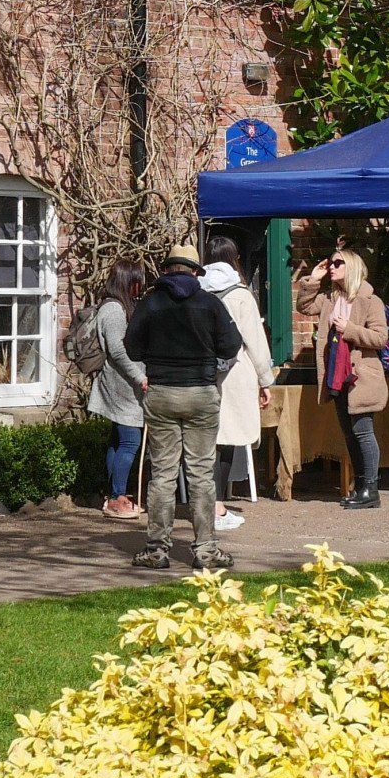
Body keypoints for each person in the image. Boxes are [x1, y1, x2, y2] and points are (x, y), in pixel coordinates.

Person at [123, 241, 241, 572]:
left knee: (162, 474)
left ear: (166, 270)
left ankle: (156, 549)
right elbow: (232, 345)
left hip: (161, 392)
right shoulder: (210, 303)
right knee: (201, 473)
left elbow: (131, 349)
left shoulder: (150, 303)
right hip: (201, 394)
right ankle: (205, 550)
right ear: (195, 272)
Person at [308, 247, 389, 508]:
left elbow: (381, 339)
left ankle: (371, 490)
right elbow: (305, 305)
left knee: (363, 432)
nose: (332, 266)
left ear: (352, 268)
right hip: (338, 374)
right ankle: (360, 488)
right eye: (331, 263)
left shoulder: (370, 300)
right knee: (349, 433)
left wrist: (350, 330)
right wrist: (313, 278)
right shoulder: (330, 298)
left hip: (361, 377)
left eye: (338, 263)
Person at [200, 236, 274, 531]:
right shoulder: (240, 294)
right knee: (228, 438)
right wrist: (265, 379)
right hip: (235, 372)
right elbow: (255, 340)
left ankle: (208, 503)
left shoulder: (199, 290)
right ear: (235, 259)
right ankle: (217, 508)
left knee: (208, 441)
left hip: (204, 372)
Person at [87, 262, 149, 515]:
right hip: (122, 387)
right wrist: (140, 377)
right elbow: (119, 351)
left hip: (118, 386)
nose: (141, 286)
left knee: (117, 441)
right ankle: (116, 498)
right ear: (128, 281)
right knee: (130, 442)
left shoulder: (114, 306)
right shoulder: (114, 310)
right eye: (138, 281)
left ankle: (113, 493)